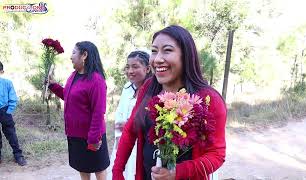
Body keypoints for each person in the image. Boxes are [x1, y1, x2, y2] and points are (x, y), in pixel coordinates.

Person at [112, 25, 227, 180]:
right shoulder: (148, 88)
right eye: (154, 51)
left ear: (186, 56)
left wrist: (177, 172)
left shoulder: (208, 99)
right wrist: (117, 172)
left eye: (167, 50)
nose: (157, 59)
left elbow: (217, 154)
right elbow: (131, 130)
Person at [48, 41, 109, 180]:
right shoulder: (73, 76)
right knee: (82, 167)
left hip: (92, 136)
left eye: (74, 53)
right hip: (75, 134)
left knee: (98, 169)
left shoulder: (96, 80)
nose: (71, 57)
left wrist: (93, 138)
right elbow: (68, 96)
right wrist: (53, 86)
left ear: (84, 55)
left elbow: (98, 112)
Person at [108, 50, 151, 179]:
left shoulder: (152, 90)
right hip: (124, 140)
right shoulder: (127, 88)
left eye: (135, 66)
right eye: (128, 67)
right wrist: (118, 137)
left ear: (147, 68)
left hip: (141, 144)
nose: (130, 71)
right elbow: (120, 114)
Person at [0, 61, 27, 166]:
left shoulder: (7, 83)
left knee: (11, 133)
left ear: (1, 71)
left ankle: (18, 155)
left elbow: (13, 98)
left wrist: (9, 111)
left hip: (4, 110)